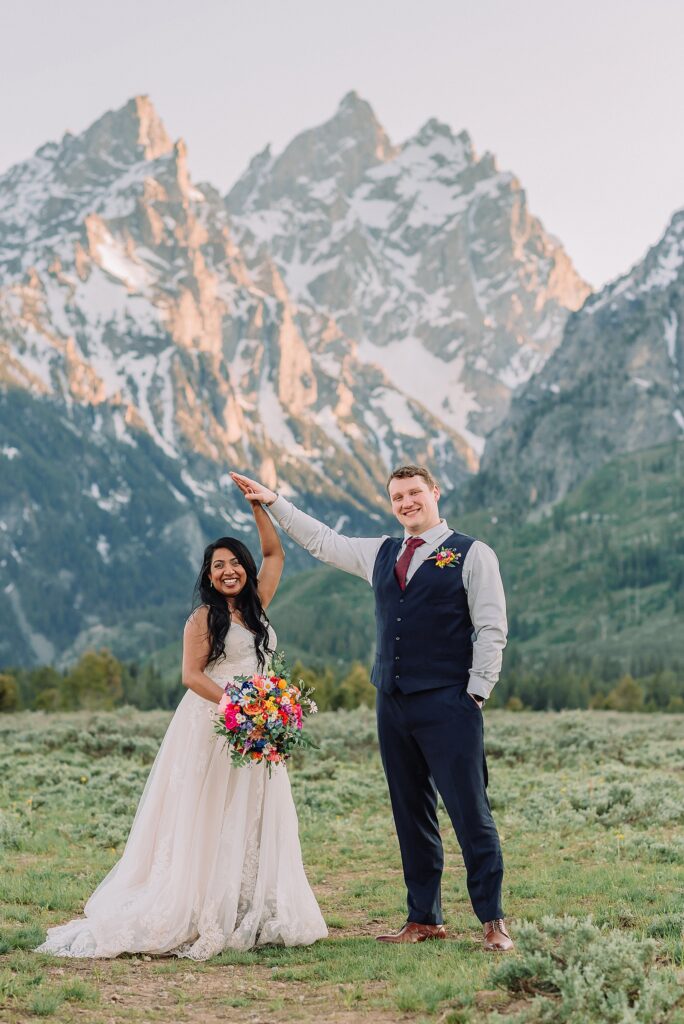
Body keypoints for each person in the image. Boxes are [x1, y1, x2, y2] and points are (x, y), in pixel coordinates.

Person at [231, 465, 513, 952]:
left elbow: (491, 627)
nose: (406, 503)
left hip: (450, 702)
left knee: (471, 812)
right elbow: (322, 540)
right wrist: (274, 501)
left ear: (434, 493)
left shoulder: (472, 554)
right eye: (397, 496)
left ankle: (493, 921)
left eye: (414, 493)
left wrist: (476, 692)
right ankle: (424, 917)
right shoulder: (381, 552)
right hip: (393, 701)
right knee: (411, 812)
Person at [36, 501, 327, 959]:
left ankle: (244, 903)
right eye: (218, 566)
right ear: (209, 577)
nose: (228, 571)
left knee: (251, 811)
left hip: (255, 726)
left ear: (246, 570)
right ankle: (197, 905)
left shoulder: (257, 608)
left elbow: (277, 556)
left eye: (234, 563)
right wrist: (241, 707)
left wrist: (259, 507)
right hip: (214, 724)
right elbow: (191, 676)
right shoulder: (203, 619)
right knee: (209, 811)